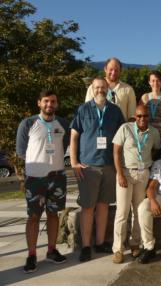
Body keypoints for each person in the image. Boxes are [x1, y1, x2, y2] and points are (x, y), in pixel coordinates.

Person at [70, 77, 125, 262]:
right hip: (89, 166)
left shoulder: (115, 111)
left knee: (103, 206)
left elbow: (122, 138)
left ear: (108, 89)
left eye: (103, 87)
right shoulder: (83, 109)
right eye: (97, 87)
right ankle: (86, 246)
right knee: (88, 208)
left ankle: (100, 243)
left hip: (109, 166)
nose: (100, 90)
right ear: (92, 89)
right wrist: (73, 161)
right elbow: (74, 136)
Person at [16, 90, 70, 273]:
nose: (50, 105)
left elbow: (67, 145)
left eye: (53, 101)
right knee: (33, 217)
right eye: (46, 101)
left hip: (58, 177)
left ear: (57, 104)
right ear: (39, 103)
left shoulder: (62, 123)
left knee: (54, 215)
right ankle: (31, 254)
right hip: (35, 179)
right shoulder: (28, 123)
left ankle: (51, 250)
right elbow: (21, 151)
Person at [111, 105, 161, 263]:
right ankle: (118, 249)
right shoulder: (125, 128)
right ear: (134, 116)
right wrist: (119, 173)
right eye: (139, 116)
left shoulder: (153, 132)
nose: (142, 119)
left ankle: (135, 244)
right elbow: (116, 151)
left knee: (139, 210)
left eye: (145, 116)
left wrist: (145, 162)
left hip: (143, 174)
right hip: (126, 173)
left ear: (149, 117)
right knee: (122, 212)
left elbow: (155, 150)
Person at [140, 70, 161, 140]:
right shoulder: (145, 97)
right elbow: (139, 116)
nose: (155, 83)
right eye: (153, 80)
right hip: (147, 136)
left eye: (158, 80)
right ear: (149, 82)